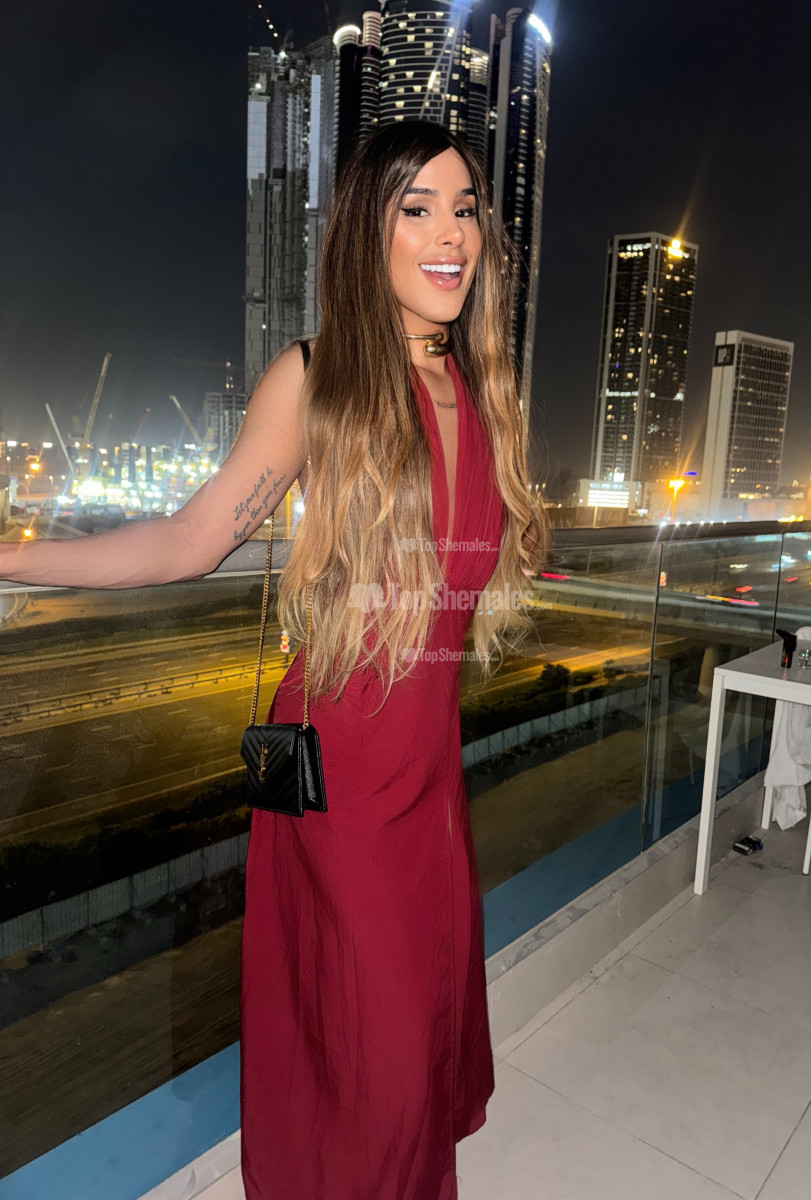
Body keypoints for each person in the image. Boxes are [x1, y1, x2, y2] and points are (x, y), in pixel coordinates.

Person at [0, 120, 549, 1197]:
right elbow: (190, 540)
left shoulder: (485, 391)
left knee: (411, 1043)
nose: (451, 235)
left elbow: (469, 566)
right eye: (417, 209)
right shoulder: (318, 379)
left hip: (430, 777)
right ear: (367, 231)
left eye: (466, 209)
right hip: (339, 771)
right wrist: (11, 559)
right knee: (379, 1052)